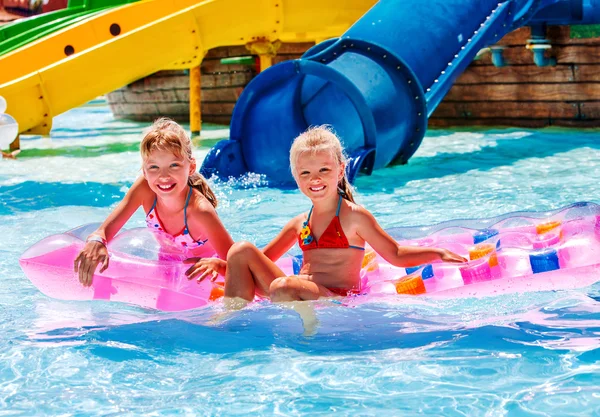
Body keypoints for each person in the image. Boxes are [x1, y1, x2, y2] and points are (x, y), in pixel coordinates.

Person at [224, 126, 467, 306]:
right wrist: (225, 266)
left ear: (340, 170)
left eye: (324, 170)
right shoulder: (299, 223)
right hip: (297, 291)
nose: (314, 179)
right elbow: (260, 260)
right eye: (305, 172)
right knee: (240, 250)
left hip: (335, 298)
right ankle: (233, 320)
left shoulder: (355, 217)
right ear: (295, 176)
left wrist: (438, 253)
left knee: (283, 285)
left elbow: (395, 254)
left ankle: (307, 330)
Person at [74, 118, 234, 287]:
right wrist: (97, 241)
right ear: (144, 170)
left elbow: (237, 260)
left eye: (174, 165)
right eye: (154, 167)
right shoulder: (145, 188)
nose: (164, 176)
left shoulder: (200, 211)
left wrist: (220, 269)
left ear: (191, 167)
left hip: (204, 275)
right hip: (165, 267)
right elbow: (105, 231)